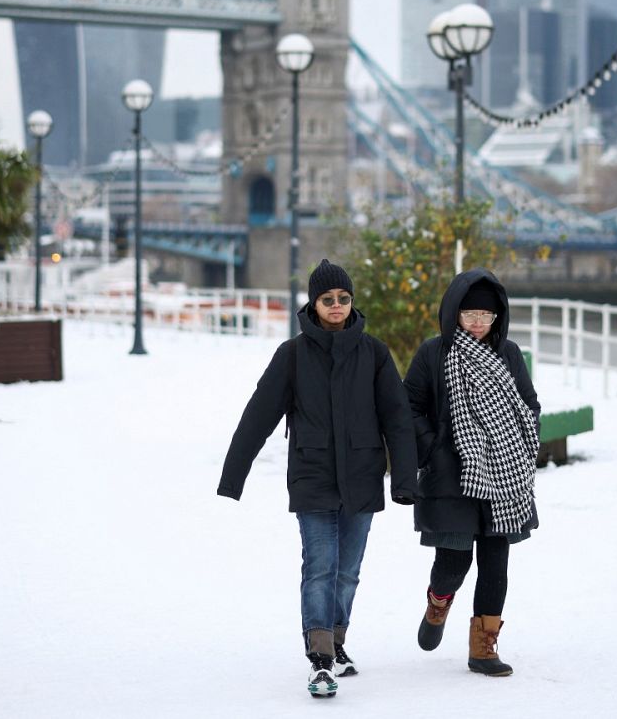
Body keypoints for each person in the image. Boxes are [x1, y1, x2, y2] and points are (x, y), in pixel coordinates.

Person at [218, 259, 418, 699]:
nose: (337, 306)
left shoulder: (375, 353)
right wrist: (234, 475)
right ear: (314, 302)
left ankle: (338, 642)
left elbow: (397, 420)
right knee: (321, 566)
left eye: (344, 299)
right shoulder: (292, 355)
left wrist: (405, 478)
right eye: (328, 299)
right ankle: (321, 659)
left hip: (363, 476)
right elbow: (259, 414)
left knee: (348, 572)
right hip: (312, 476)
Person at [405, 269, 539, 677]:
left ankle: (483, 648)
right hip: (452, 478)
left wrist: (514, 444)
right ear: (454, 313)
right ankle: (438, 601)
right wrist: (435, 448)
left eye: (487, 315)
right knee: (454, 561)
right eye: (471, 314)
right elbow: (408, 408)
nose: (479, 323)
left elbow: (528, 404)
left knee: (496, 563)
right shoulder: (434, 353)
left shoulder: (508, 353)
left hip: (504, 477)